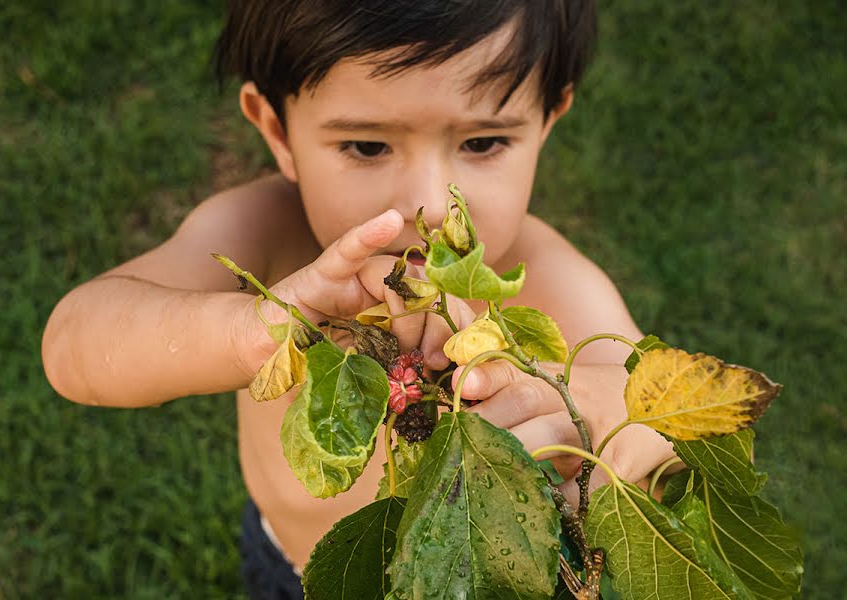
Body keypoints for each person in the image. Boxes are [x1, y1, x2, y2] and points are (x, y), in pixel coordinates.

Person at [42, 1, 677, 597]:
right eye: (367, 146)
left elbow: (678, 426)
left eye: (483, 143)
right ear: (278, 131)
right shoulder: (267, 237)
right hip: (301, 574)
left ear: (547, 121)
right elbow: (73, 344)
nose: (426, 204)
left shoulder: (549, 281)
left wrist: (614, 407)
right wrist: (252, 330)